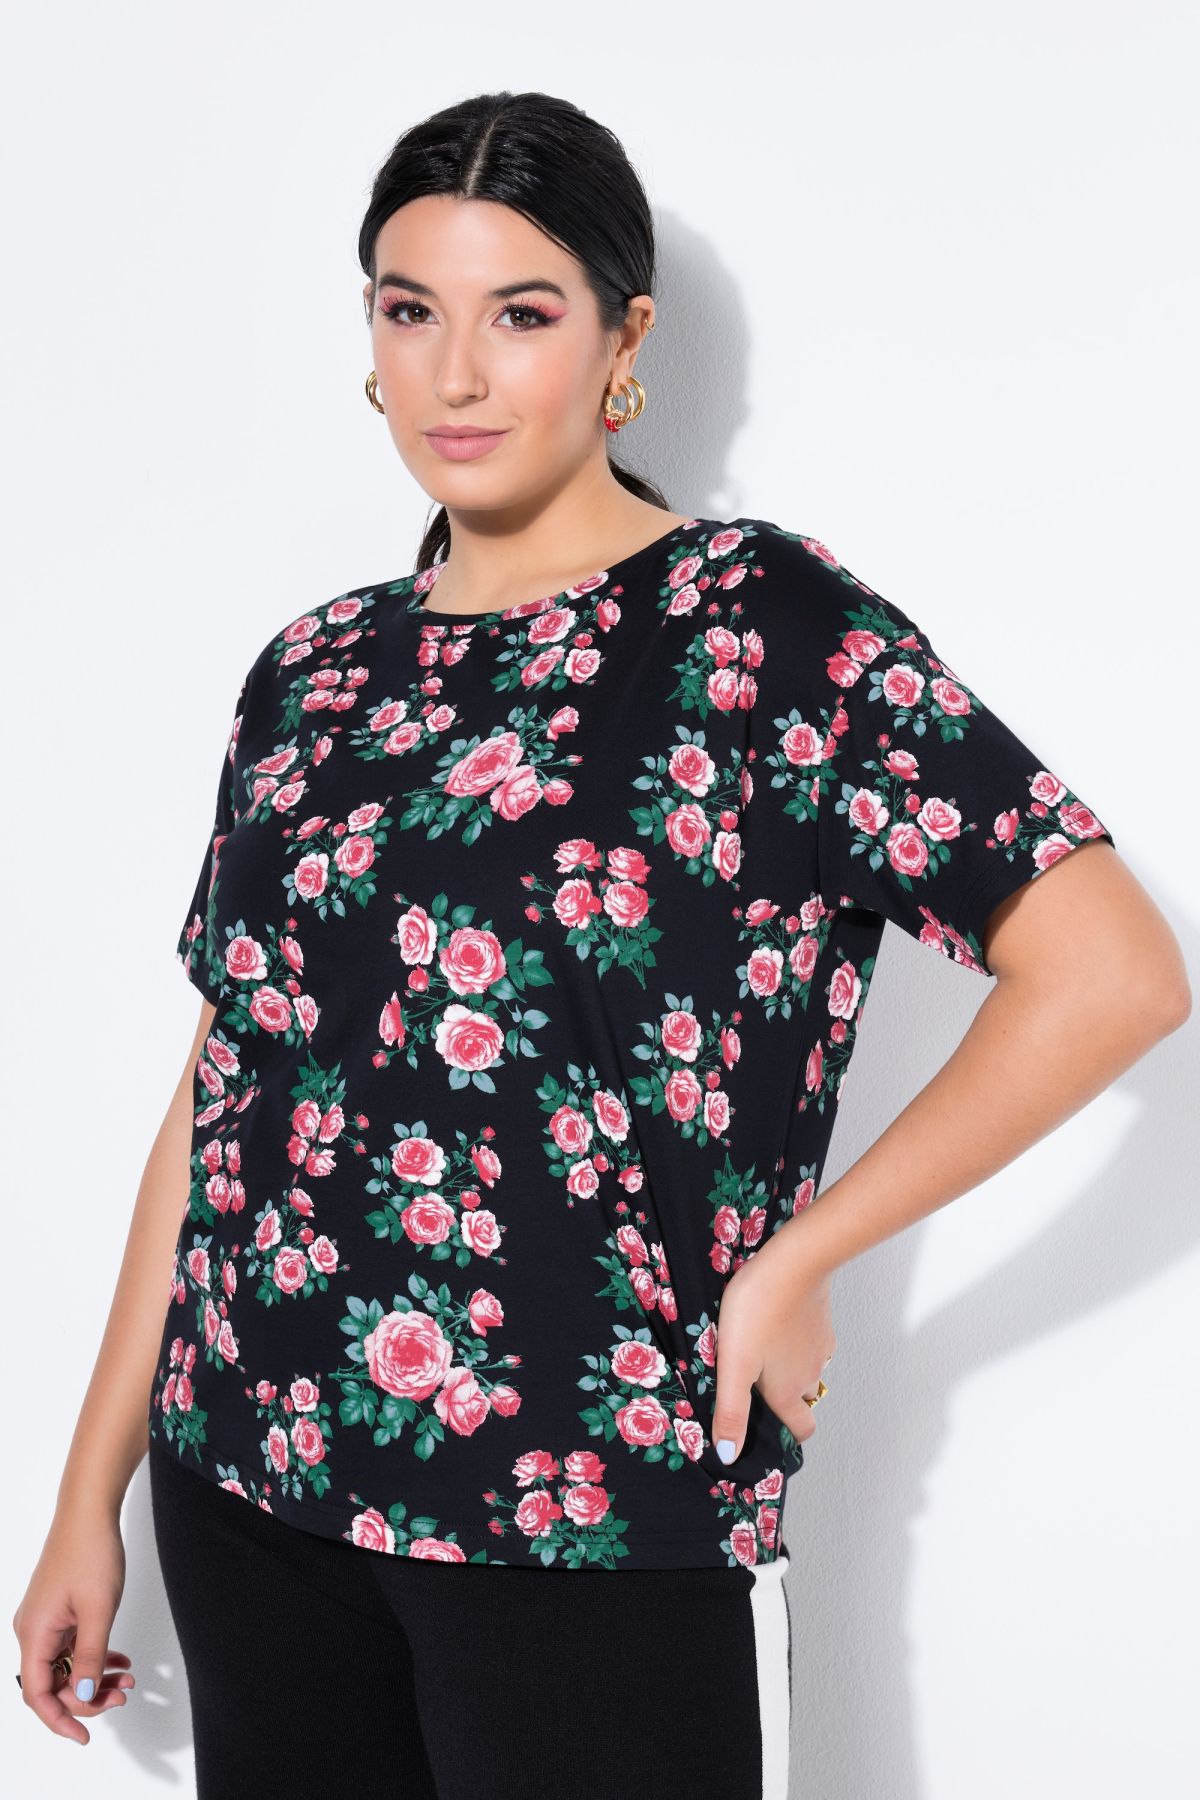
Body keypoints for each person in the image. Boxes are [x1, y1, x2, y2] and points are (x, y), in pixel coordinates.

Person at [11, 89, 1190, 1800]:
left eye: (521, 313)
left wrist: (800, 1258)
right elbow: (220, 1092)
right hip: (248, 1478)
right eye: (408, 311)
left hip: (595, 1509)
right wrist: (87, 1493)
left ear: (624, 341)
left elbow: (1113, 969)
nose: (456, 375)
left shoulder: (759, 627)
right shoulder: (313, 671)